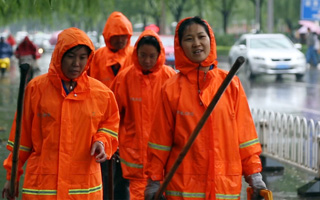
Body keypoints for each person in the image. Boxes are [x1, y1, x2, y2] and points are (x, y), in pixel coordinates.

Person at [144, 16, 267, 200]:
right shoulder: (171, 89)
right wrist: (154, 182)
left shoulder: (231, 84)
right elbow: (160, 141)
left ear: (211, 39)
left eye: (201, 36)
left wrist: (255, 177)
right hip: (183, 191)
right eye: (189, 39)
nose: (196, 43)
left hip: (224, 190)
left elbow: (246, 138)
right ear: (180, 45)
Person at [2, 27, 120, 200]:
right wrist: (11, 177)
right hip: (42, 189)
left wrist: (102, 142)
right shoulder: (36, 89)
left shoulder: (102, 94)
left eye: (82, 57)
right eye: (71, 57)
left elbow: (110, 125)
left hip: (83, 190)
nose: (76, 64)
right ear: (59, 56)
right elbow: (22, 140)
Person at [110, 29, 176, 200]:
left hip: (163, 156)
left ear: (159, 55)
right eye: (143, 55)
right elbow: (112, 116)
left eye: (152, 56)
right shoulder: (125, 78)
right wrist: (112, 142)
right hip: (133, 156)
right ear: (136, 54)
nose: (147, 61)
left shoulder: (170, 78)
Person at [89, 11, 133, 200]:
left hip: (129, 123)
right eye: (116, 37)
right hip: (103, 123)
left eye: (124, 36)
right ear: (108, 37)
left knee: (125, 174)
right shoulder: (98, 57)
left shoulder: (134, 56)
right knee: (105, 170)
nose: (120, 40)